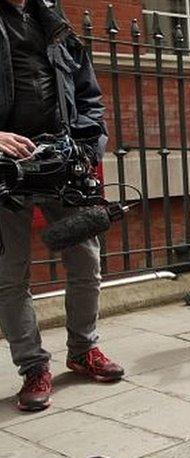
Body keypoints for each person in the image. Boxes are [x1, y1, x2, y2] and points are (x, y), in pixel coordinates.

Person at [0, 0, 123, 412]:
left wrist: (87, 148)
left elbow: (88, 96)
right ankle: (33, 366)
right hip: (5, 171)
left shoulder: (54, 23)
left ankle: (83, 350)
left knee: (86, 261)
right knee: (10, 276)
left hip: (61, 163)